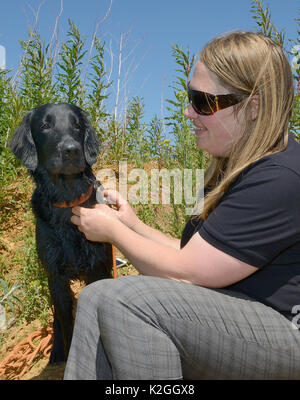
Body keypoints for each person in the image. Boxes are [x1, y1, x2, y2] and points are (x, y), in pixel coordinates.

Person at [63, 31, 300, 380]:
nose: (189, 112)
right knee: (97, 297)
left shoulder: (280, 177)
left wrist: (113, 232)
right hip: (241, 314)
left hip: (284, 331)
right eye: (189, 97)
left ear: (254, 107)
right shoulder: (235, 167)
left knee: (124, 301)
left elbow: (188, 273)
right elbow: (200, 257)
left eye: (203, 101)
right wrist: (132, 225)